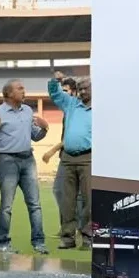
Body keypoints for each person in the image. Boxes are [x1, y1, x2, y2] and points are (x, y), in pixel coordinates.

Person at [0, 79, 49, 254]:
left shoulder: (27, 111)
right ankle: (3, 244)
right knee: (7, 206)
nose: (24, 91)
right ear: (9, 94)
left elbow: (35, 136)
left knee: (35, 204)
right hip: (7, 161)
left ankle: (39, 242)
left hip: (28, 159)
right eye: (20, 89)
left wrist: (45, 129)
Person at [48, 71, 92, 249]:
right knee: (67, 200)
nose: (81, 92)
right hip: (67, 158)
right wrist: (55, 81)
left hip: (89, 158)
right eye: (79, 88)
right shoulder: (71, 104)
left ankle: (88, 237)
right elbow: (55, 93)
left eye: (85, 88)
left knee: (90, 200)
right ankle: (67, 237)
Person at [42, 77, 85, 231]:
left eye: (66, 91)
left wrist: (52, 150)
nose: (64, 94)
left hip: (77, 155)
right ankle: (67, 225)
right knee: (61, 191)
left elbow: (74, 136)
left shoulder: (78, 109)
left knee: (77, 195)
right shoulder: (68, 109)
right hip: (65, 156)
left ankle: (78, 227)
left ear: (74, 91)